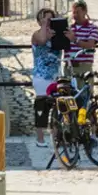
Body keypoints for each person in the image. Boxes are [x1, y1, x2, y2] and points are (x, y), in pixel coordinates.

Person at [29, 9, 68, 144]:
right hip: (41, 76)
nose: (48, 22)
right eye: (45, 19)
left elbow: (66, 45)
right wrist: (45, 28)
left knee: (58, 108)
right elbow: (41, 41)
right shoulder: (36, 34)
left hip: (55, 75)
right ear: (39, 21)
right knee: (42, 107)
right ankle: (40, 139)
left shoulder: (56, 34)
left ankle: (57, 137)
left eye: (51, 19)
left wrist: (62, 29)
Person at [67, 0, 98, 94]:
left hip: (84, 66)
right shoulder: (69, 28)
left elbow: (90, 45)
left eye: (78, 12)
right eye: (74, 12)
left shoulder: (92, 28)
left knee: (85, 95)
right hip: (69, 67)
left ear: (85, 11)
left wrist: (75, 40)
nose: (75, 15)